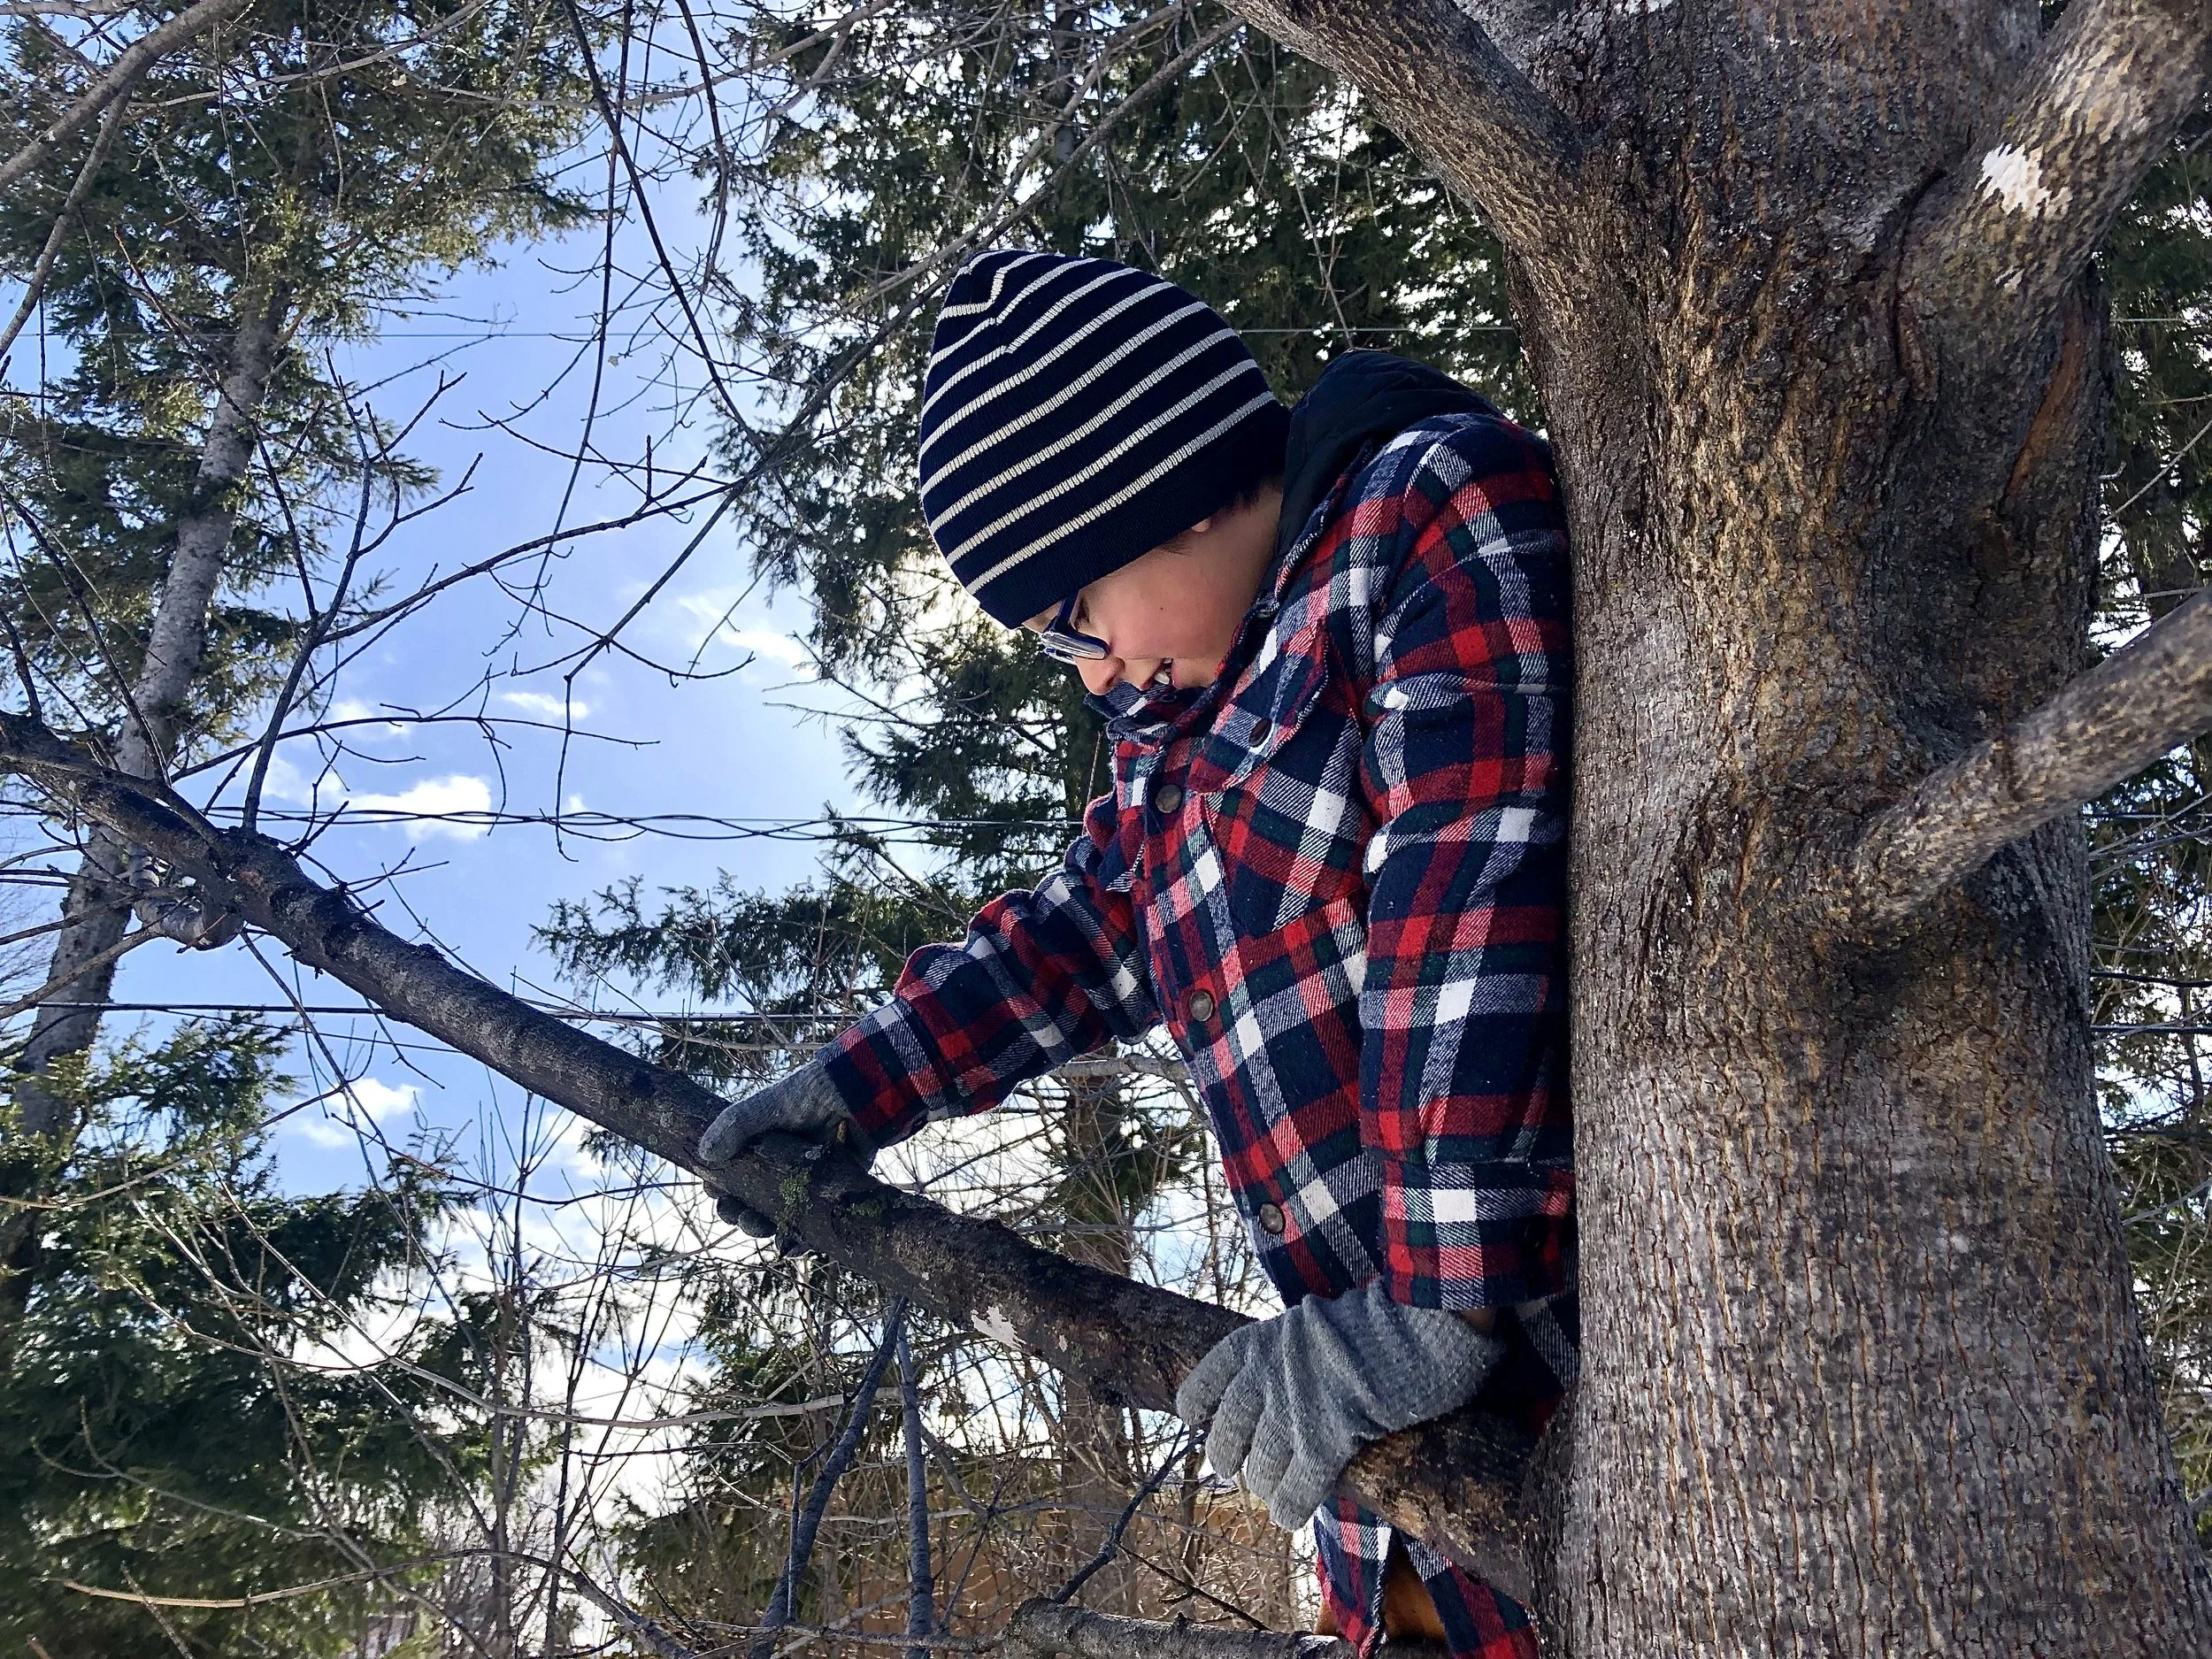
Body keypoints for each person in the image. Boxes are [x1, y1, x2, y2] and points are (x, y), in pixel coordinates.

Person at [699, 250, 1576, 1659]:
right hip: (1381, 1446)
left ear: (1165, 494)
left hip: (1551, 1362)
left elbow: (1470, 897)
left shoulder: (1417, 523)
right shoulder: (1166, 767)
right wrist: (852, 1086)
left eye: (1080, 621)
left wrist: (1437, 1298)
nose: (1096, 673)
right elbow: (1059, 948)